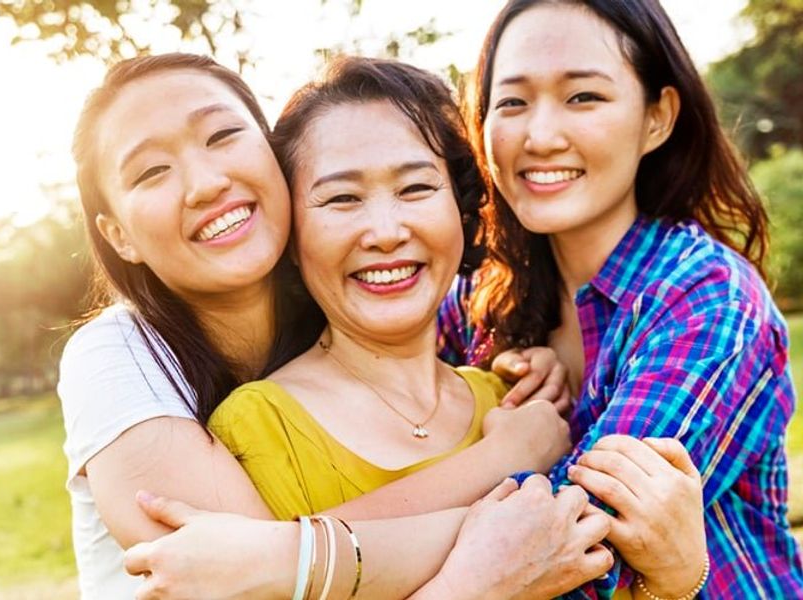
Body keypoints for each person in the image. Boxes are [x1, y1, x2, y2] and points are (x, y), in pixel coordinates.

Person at [59, 53, 608, 599]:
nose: (205, 183)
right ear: (118, 234)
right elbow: (248, 578)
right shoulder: (117, 357)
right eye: (151, 171)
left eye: (222, 135)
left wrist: (517, 368)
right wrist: (508, 479)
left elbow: (281, 555)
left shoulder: (348, 315)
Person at [441, 0, 803, 596]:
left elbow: (574, 555)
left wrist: (509, 450)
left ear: (657, 118)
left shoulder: (707, 297)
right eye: (511, 102)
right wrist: (477, 390)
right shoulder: (472, 300)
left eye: (583, 96)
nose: (539, 136)